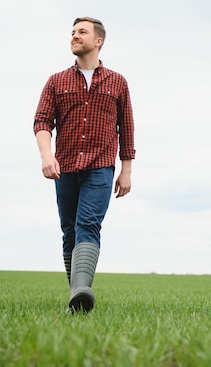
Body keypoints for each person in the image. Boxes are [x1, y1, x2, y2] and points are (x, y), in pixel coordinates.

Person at [33, 17, 135, 313]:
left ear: (98, 40)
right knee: (70, 231)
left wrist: (126, 170)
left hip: (101, 167)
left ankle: (80, 291)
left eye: (82, 32)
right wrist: (46, 155)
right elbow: (41, 121)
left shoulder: (118, 82)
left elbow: (126, 128)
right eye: (73, 33)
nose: (74, 37)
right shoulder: (56, 81)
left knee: (88, 224)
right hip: (64, 166)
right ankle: (77, 297)